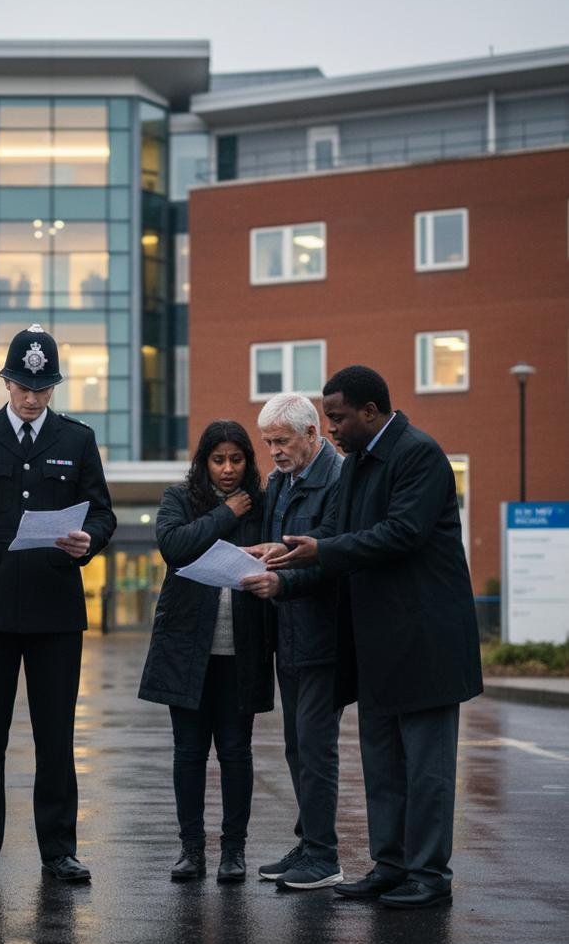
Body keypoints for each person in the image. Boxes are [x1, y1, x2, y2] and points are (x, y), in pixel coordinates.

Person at [263, 365, 483, 909]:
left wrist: (322, 550)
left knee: (426, 768)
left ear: (370, 411)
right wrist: (281, 564)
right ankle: (389, 865)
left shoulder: (419, 454)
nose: (331, 427)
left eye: (336, 417)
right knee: (381, 761)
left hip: (426, 639)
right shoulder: (358, 464)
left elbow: (401, 534)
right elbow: (333, 538)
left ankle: (429, 875)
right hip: (378, 641)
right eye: (327, 417)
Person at [0, 324, 116, 884]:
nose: (33, 398)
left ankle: (58, 850)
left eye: (43, 388)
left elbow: (102, 512)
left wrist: (92, 541)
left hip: (55, 608)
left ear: (53, 387)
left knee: (55, 735)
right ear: (7, 380)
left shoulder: (77, 440)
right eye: (24, 386)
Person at [138, 420, 273, 883]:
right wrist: (227, 513)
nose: (229, 469)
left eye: (237, 459)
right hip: (185, 650)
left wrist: (243, 514)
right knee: (190, 753)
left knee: (236, 752)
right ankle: (191, 850)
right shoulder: (180, 498)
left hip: (242, 649)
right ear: (204, 462)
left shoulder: (263, 503)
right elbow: (173, 547)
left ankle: (233, 851)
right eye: (219, 460)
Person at [240, 393, 345, 891]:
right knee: (296, 748)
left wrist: (282, 579)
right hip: (287, 633)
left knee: (315, 747)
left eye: (281, 441)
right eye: (267, 443)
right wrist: (267, 553)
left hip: (322, 634)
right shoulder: (279, 481)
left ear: (311, 434)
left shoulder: (337, 479)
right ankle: (308, 843)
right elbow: (288, 549)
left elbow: (335, 558)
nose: (274, 451)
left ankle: (324, 856)